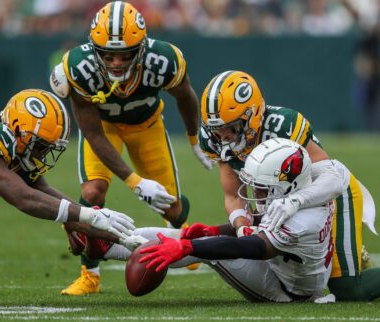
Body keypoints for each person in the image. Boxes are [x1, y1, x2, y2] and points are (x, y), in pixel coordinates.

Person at [49, 1, 212, 295]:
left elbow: (185, 95)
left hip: (147, 125)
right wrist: (135, 183)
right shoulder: (79, 67)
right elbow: (93, 134)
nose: (115, 63)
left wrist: (193, 138)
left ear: (141, 47)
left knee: (172, 207)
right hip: (105, 130)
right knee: (91, 194)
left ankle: (179, 223)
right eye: (107, 55)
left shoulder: (163, 59)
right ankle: (90, 274)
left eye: (124, 55)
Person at [0, 89, 140, 293]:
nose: (42, 154)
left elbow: (48, 195)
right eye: (40, 145)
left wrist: (121, 237)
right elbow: (23, 197)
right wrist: (89, 215)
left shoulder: (16, 157)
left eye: (48, 148)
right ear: (18, 128)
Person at [196, 70, 380, 301]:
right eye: (217, 129)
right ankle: (349, 259)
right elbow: (233, 195)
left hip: (328, 195)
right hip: (283, 200)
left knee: (348, 290)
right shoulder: (214, 139)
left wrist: (295, 201)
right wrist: (242, 225)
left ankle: (346, 259)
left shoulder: (282, 125)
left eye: (231, 127)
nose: (224, 137)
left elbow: (331, 178)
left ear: (252, 115)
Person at [97, 138, 335, 302]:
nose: (257, 194)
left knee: (202, 248)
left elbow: (254, 246)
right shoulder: (303, 195)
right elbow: (255, 228)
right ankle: (107, 242)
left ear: (289, 185)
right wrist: (210, 231)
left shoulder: (303, 222)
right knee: (194, 238)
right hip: (286, 267)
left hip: (288, 290)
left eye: (263, 188)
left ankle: (108, 248)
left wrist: (189, 247)